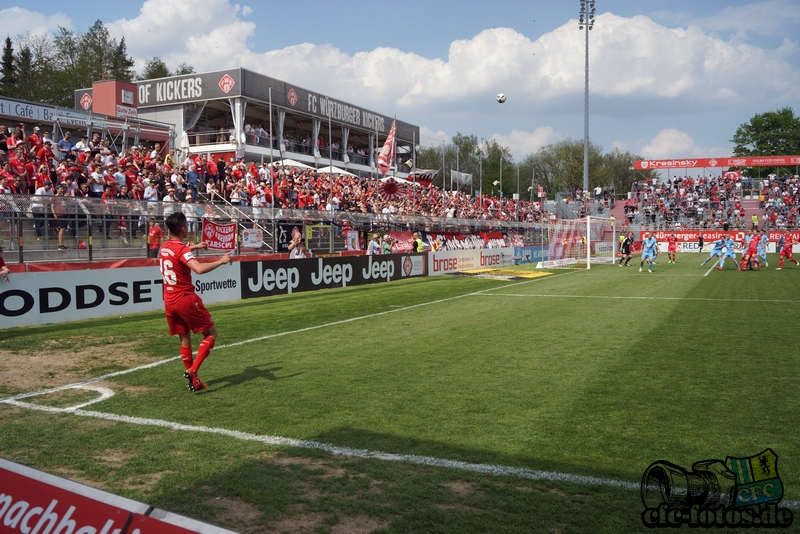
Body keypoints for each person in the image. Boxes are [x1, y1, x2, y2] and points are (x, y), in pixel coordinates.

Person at [159, 212, 232, 392]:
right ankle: (193, 371)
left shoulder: (164, 247)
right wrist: (221, 261)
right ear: (184, 229)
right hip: (185, 299)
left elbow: (178, 253)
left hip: (169, 300)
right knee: (211, 333)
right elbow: (198, 269)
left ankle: (194, 380)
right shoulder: (182, 250)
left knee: (185, 339)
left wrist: (196, 246)